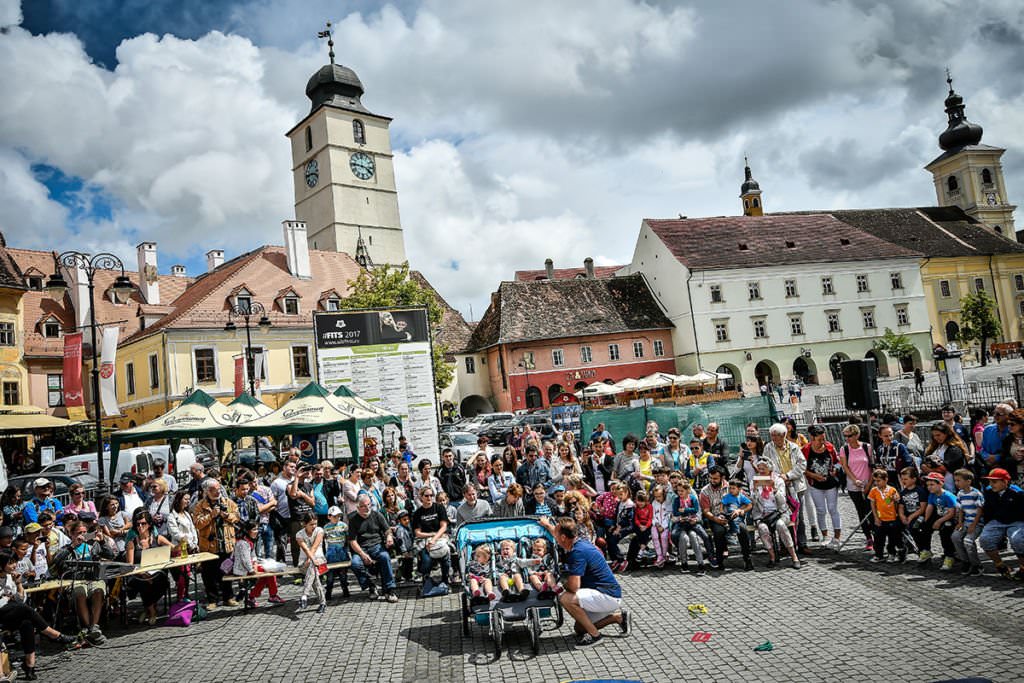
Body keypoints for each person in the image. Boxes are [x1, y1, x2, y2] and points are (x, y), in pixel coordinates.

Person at [0, 547, 77, 679]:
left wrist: (18, 584)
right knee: (23, 609)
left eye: (15, 562)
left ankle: (30, 666)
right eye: (10, 562)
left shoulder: (10, 577)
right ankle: (53, 635)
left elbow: (20, 599)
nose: (14, 565)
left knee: (27, 621)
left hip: (11, 614)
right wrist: (7, 598)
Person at [552, 516, 627, 647]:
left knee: (566, 598)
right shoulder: (580, 543)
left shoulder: (577, 552)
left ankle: (595, 636)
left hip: (607, 595)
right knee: (579, 629)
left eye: (556, 534)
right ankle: (618, 617)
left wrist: (558, 585)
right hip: (606, 594)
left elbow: (574, 587)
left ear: (563, 537)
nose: (555, 537)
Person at [52, 519, 117, 645]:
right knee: (80, 592)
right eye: (78, 533)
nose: (82, 535)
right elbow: (57, 563)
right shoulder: (66, 548)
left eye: (85, 532)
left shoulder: (93, 545)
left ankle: (93, 627)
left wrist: (102, 541)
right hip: (75, 580)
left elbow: (110, 555)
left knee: (98, 591)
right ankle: (89, 629)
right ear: (71, 534)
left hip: (92, 578)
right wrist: (73, 546)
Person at [193, 479, 240, 609]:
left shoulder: (228, 502)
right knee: (209, 574)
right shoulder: (200, 505)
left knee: (226, 571)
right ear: (207, 491)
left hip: (226, 543)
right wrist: (211, 516)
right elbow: (197, 523)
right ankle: (212, 600)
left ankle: (228, 597)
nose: (218, 491)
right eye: (214, 490)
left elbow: (237, 516)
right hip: (209, 546)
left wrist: (226, 515)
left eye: (219, 489)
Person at [764, 423, 810, 554]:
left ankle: (802, 544)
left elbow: (802, 465)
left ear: (783, 435)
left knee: (798, 516)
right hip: (778, 486)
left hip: (796, 485)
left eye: (776, 435)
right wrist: (779, 477)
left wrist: (789, 475)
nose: (773, 438)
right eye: (772, 435)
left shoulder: (794, 447)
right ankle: (785, 545)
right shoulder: (768, 448)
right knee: (781, 515)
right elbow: (766, 465)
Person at [124, 509, 172, 625]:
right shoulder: (132, 542)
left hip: (155, 572)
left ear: (149, 524)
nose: (140, 526)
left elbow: (173, 548)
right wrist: (142, 572)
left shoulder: (157, 538)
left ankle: (146, 608)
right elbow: (130, 565)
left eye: (143, 523)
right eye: (138, 524)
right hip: (137, 574)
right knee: (145, 582)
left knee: (162, 579)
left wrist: (181, 544)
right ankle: (152, 611)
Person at [348, 494, 398, 602]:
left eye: (369, 505)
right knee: (355, 564)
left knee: (384, 557)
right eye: (363, 506)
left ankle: (389, 589)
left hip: (377, 545)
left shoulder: (377, 515)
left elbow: (387, 529)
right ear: (357, 507)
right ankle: (370, 585)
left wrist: (389, 537)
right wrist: (362, 554)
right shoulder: (353, 519)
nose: (367, 508)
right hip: (361, 548)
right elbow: (352, 541)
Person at [976, 468, 1024, 580]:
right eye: (990, 481)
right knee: (985, 539)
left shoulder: (1018, 494)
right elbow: (987, 510)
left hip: (1016, 521)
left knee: (1018, 540)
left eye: (994, 481)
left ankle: (1023, 567)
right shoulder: (988, 492)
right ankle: (1000, 565)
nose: (991, 484)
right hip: (997, 521)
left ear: (1005, 481)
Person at [751, 461, 799, 569]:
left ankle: (794, 556)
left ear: (770, 470)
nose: (761, 471)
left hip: (780, 512)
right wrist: (754, 490)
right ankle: (772, 556)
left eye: (763, 469)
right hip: (762, 514)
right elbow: (753, 503)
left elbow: (782, 501)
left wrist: (774, 489)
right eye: (759, 469)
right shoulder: (755, 480)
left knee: (781, 525)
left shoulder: (778, 480)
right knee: (762, 528)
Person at [803, 425, 842, 549]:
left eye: (823, 439)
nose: (822, 442)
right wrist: (813, 475)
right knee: (820, 510)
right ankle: (825, 536)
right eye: (819, 439)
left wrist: (835, 470)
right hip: (815, 484)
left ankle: (837, 537)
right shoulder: (805, 450)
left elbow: (837, 461)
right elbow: (802, 468)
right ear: (812, 438)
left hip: (830, 483)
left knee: (833, 509)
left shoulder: (830, 447)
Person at [838, 424, 876, 551]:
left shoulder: (867, 447)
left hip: (869, 483)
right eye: (845, 436)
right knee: (861, 511)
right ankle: (868, 537)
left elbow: (872, 467)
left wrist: (869, 484)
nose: (847, 438)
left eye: (849, 436)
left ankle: (877, 534)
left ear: (857, 435)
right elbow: (845, 467)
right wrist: (855, 480)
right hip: (853, 485)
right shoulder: (844, 449)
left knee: (872, 511)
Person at [231, 520, 284, 608]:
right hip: (242, 569)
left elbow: (253, 555)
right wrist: (252, 570)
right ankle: (273, 595)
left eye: (257, 529)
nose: (256, 531)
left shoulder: (249, 540)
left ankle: (252, 597)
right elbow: (245, 560)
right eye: (254, 529)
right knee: (270, 572)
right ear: (248, 530)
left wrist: (255, 563)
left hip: (248, 567)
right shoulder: (243, 543)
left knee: (266, 575)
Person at [412, 487, 450, 588]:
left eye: (431, 495)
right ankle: (426, 579)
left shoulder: (439, 508)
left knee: (446, 554)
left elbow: (444, 527)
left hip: (440, 538)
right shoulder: (417, 513)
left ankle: (446, 580)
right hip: (424, 539)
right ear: (421, 497)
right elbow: (418, 533)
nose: (429, 498)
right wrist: (431, 535)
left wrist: (434, 539)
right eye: (426, 496)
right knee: (426, 559)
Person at [921, 471, 959, 570]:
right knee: (924, 527)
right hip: (940, 515)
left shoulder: (948, 496)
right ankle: (926, 550)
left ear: (940, 484)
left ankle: (949, 555)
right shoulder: (932, 495)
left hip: (952, 518)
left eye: (932, 485)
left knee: (945, 533)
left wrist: (939, 521)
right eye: (928, 485)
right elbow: (929, 507)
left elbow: (952, 512)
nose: (929, 487)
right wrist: (926, 520)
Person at [166, 489, 199, 601]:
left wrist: (194, 542)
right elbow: (175, 533)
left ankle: (185, 595)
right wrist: (188, 542)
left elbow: (192, 529)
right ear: (179, 500)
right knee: (183, 573)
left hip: (190, 546)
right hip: (180, 547)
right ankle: (181, 596)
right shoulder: (172, 516)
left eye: (189, 499)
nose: (187, 501)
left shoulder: (186, 514)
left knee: (187, 572)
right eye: (185, 499)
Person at [951, 468, 984, 575]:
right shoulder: (960, 493)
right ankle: (965, 561)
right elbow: (961, 509)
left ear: (968, 481)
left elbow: (980, 510)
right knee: (955, 537)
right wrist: (960, 522)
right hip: (965, 522)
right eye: (955, 481)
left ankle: (977, 565)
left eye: (958, 480)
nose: (956, 483)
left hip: (976, 523)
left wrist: (973, 525)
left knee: (968, 541)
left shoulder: (976, 494)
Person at [671, 481, 708, 572]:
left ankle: (701, 563)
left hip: (692, 523)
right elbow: (675, 512)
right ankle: (684, 563)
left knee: (694, 536)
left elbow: (696, 510)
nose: (679, 493)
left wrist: (684, 510)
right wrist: (681, 517)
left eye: (682, 491)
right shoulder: (676, 500)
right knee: (683, 538)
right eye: (678, 491)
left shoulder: (693, 498)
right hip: (681, 523)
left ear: (688, 490)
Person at [294, 512, 327, 613]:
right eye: (311, 524)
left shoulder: (320, 531)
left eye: (315, 524)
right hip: (304, 562)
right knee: (313, 573)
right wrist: (310, 559)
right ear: (304, 524)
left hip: (319, 560)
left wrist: (311, 559)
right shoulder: (299, 534)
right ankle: (322, 603)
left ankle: (304, 596)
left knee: (312, 568)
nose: (314, 526)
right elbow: (305, 549)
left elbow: (315, 546)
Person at [867, 469, 901, 563]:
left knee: (892, 538)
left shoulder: (892, 490)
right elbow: (873, 505)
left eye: (878, 481)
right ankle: (879, 555)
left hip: (892, 518)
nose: (876, 483)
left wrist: (895, 500)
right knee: (878, 539)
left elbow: (890, 502)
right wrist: (876, 518)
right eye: (875, 481)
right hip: (880, 519)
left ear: (886, 479)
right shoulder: (874, 491)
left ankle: (891, 554)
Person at [925, 422, 969, 491]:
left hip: (951, 487)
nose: (936, 438)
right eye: (934, 435)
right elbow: (923, 463)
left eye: (938, 435)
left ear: (947, 434)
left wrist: (929, 470)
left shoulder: (954, 449)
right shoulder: (935, 447)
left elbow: (944, 468)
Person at [898, 468, 928, 563]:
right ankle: (902, 548)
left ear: (914, 479)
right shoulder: (903, 492)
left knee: (915, 527)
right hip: (907, 516)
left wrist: (911, 516)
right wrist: (902, 516)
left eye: (906, 479)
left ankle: (923, 549)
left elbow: (923, 508)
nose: (903, 481)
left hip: (919, 515)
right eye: (902, 479)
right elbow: (901, 507)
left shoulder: (920, 491)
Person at [270, 459, 297, 563]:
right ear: (284, 468)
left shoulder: (296, 480)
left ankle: (296, 565)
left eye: (295, 467)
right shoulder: (276, 483)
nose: (293, 469)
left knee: (296, 541)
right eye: (291, 466)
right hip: (281, 517)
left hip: (295, 516)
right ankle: (281, 564)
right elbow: (273, 499)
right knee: (281, 543)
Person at [322, 506, 350, 601]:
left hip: (341, 551)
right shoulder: (325, 528)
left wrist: (347, 550)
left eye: (338, 516)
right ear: (329, 516)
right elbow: (323, 541)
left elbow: (347, 538)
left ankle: (345, 589)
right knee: (330, 576)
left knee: (343, 574)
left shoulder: (343, 526)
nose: (337, 518)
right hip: (331, 552)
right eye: (334, 516)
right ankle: (328, 591)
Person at [624, 490, 653, 571]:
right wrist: (640, 525)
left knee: (637, 540)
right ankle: (641, 552)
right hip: (638, 526)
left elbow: (650, 518)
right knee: (635, 540)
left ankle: (642, 551)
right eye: (638, 501)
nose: (640, 503)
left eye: (642, 501)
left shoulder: (649, 507)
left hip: (647, 527)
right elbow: (635, 519)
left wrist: (646, 526)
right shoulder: (635, 507)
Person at [980, 403, 1013, 469]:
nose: (995, 416)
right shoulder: (987, 429)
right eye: (994, 413)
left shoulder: (1013, 431)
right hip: (989, 467)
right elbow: (983, 449)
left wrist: (997, 458)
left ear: (1008, 416)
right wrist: (987, 457)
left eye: (998, 414)